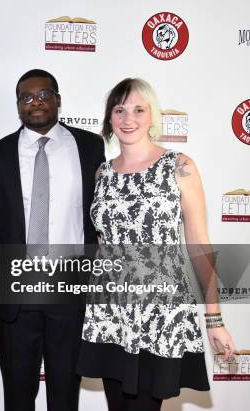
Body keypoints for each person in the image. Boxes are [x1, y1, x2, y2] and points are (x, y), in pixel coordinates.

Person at [76, 78, 237, 411]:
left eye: (138, 109)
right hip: (110, 312)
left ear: (153, 117)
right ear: (109, 119)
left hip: (160, 314)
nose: (128, 118)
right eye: (119, 110)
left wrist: (214, 320)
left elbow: (199, 246)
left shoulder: (180, 167)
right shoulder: (102, 175)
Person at [0, 69, 105, 411]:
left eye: (43, 95)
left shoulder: (91, 147)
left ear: (58, 99)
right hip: (17, 289)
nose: (35, 102)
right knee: (18, 396)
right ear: (18, 105)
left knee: (65, 395)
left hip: (70, 287)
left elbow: (102, 213)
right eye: (26, 97)